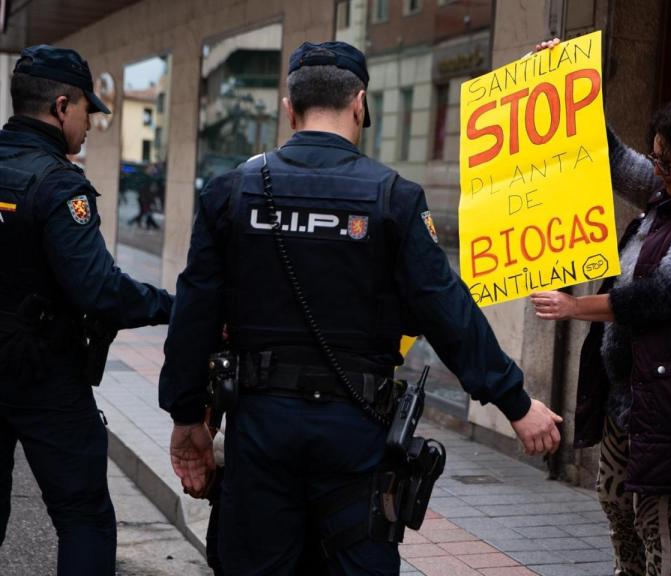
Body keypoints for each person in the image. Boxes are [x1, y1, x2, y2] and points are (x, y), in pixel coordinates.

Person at [158, 41, 563, 575]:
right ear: (359, 104)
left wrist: (188, 416)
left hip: (261, 425)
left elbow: (195, 312)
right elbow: (446, 309)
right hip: (356, 430)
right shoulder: (393, 197)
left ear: (289, 108)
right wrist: (516, 402)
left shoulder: (231, 192)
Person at [530, 74, 671, 574]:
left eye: (666, 160)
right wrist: (560, 80)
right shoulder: (667, 193)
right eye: (655, 156)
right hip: (629, 392)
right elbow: (609, 157)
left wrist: (575, 307)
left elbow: (660, 295)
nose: (655, 167)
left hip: (666, 395)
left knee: (657, 514)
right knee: (613, 497)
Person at [0, 45, 174, 575]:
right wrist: (175, 306)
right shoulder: (58, 184)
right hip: (42, 377)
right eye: (85, 111)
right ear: (59, 107)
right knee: (84, 519)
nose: (89, 124)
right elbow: (99, 291)